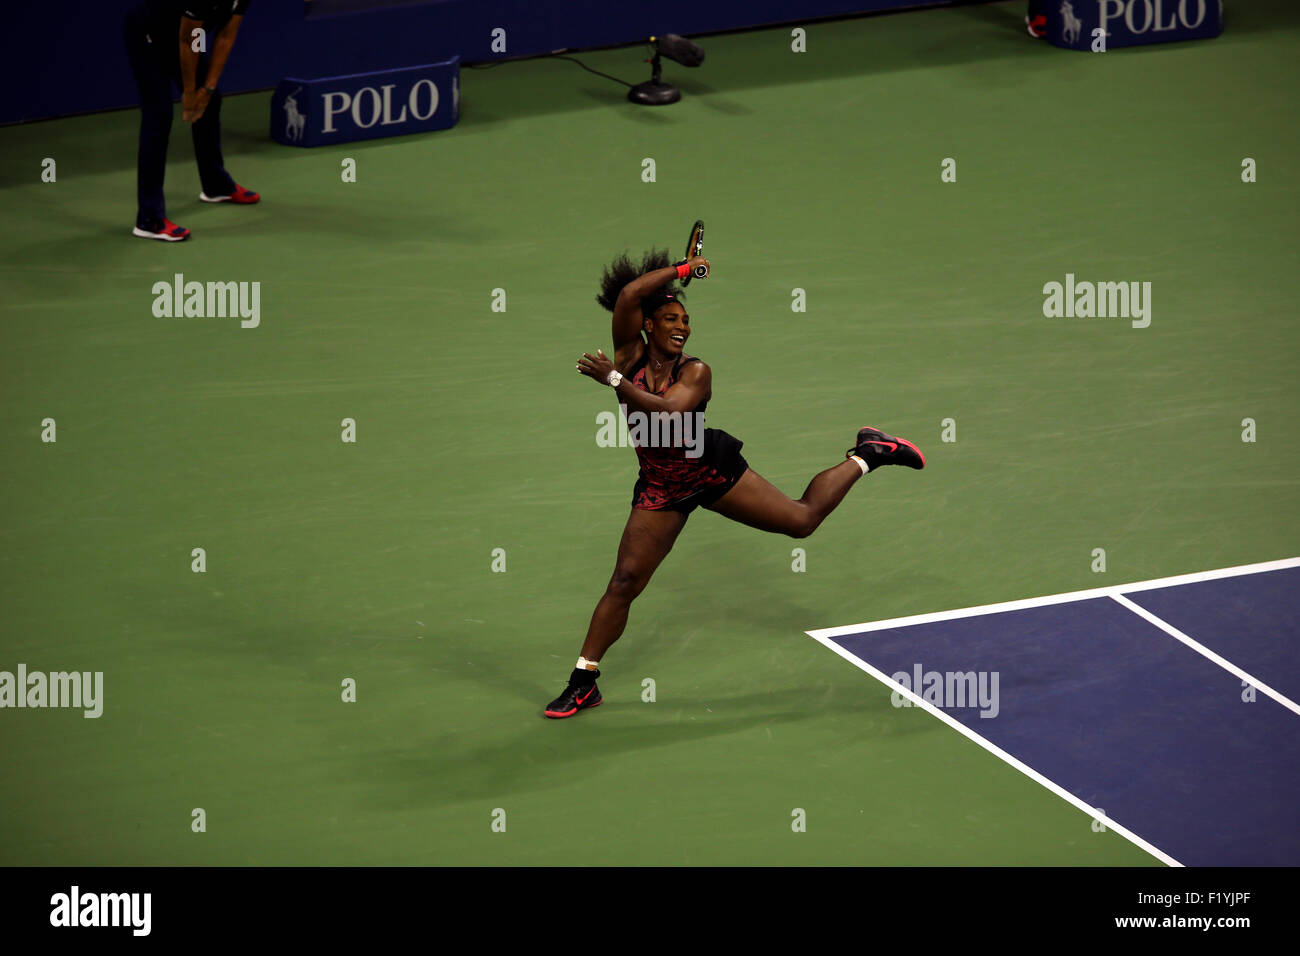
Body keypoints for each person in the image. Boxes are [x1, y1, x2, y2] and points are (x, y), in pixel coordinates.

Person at [544, 248, 925, 718]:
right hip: (661, 485)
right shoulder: (631, 352)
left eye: (686, 319)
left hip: (708, 471)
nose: (681, 326)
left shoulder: (695, 372)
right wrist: (684, 270)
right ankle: (584, 681)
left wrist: (614, 380)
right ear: (647, 325)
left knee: (802, 521)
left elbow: (668, 412)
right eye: (669, 318)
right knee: (624, 580)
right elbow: (628, 294)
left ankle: (869, 453)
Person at [124, 0, 260, 241]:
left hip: (180, 35)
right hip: (147, 36)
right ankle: (148, 219)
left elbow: (226, 36)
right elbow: (189, 40)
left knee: (212, 101)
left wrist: (206, 90)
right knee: (159, 115)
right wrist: (189, 94)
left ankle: (216, 185)